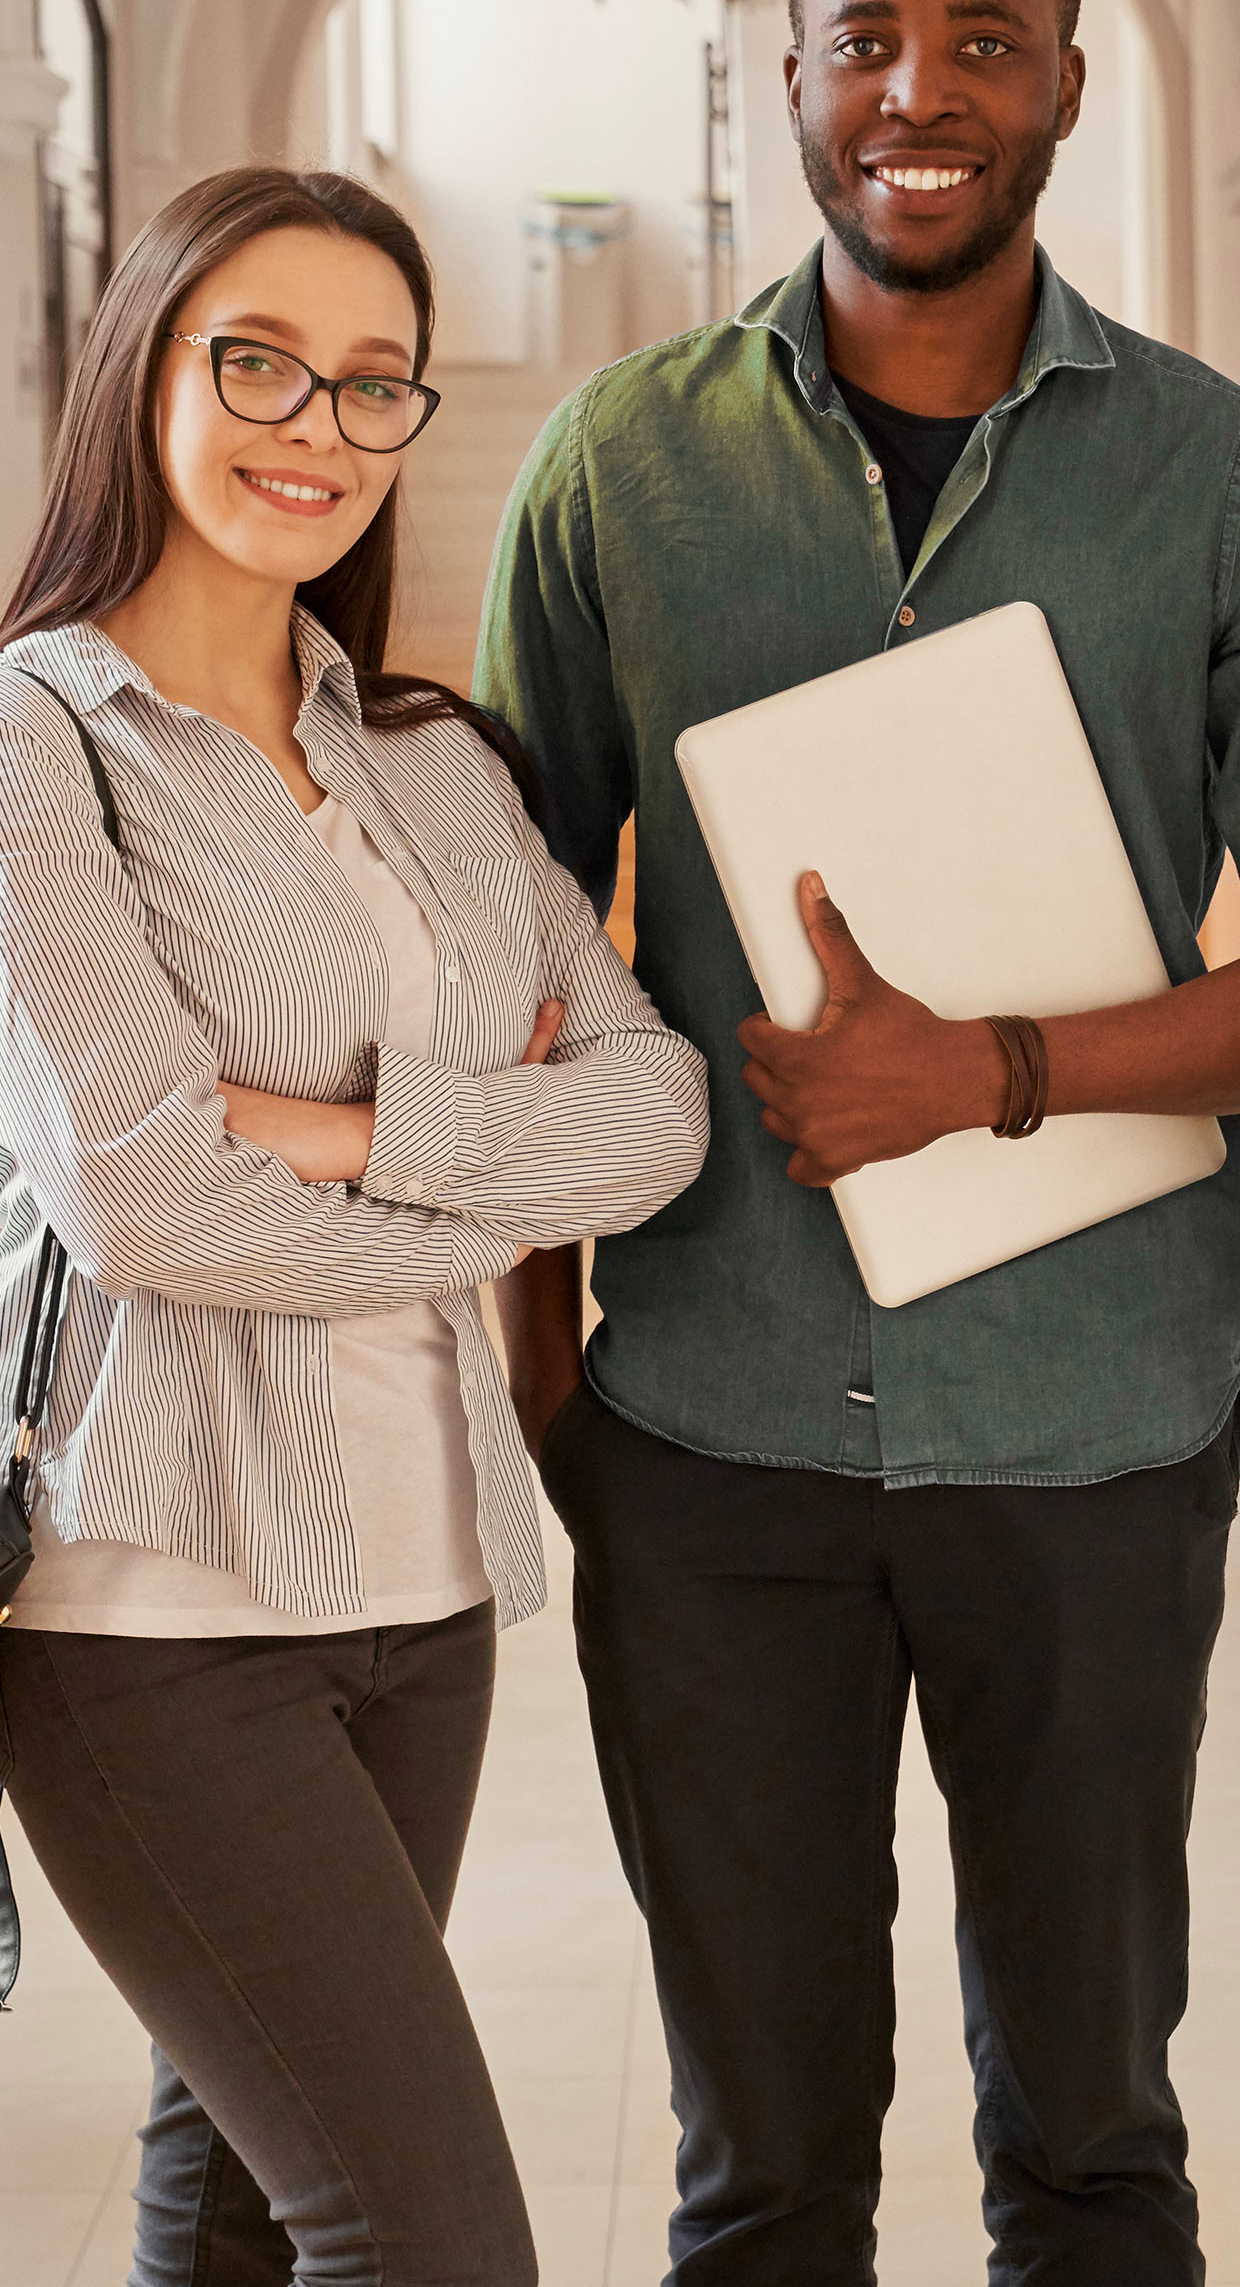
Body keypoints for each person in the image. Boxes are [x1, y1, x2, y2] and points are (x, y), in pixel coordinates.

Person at [478, 0, 1240, 2286]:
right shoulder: (614, 469)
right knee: (760, 2182)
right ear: (788, 71)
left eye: (981, 40)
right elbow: (502, 942)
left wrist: (995, 1068)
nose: (919, 89)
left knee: (1095, 2155)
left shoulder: (1225, 481)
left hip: (1095, 1432)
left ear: (1066, 81)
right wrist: (550, 1380)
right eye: (866, 39)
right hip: (706, 1438)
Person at [0, 166, 708, 2287]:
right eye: (260, 362)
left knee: (235, 2191)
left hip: (425, 1579)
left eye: (372, 380)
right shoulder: (34, 741)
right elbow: (141, 1200)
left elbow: (659, 1113)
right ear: (143, 369)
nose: (316, 423)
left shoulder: (431, 761)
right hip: (151, 1606)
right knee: (425, 2237)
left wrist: (335, 1133)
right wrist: (486, 1182)